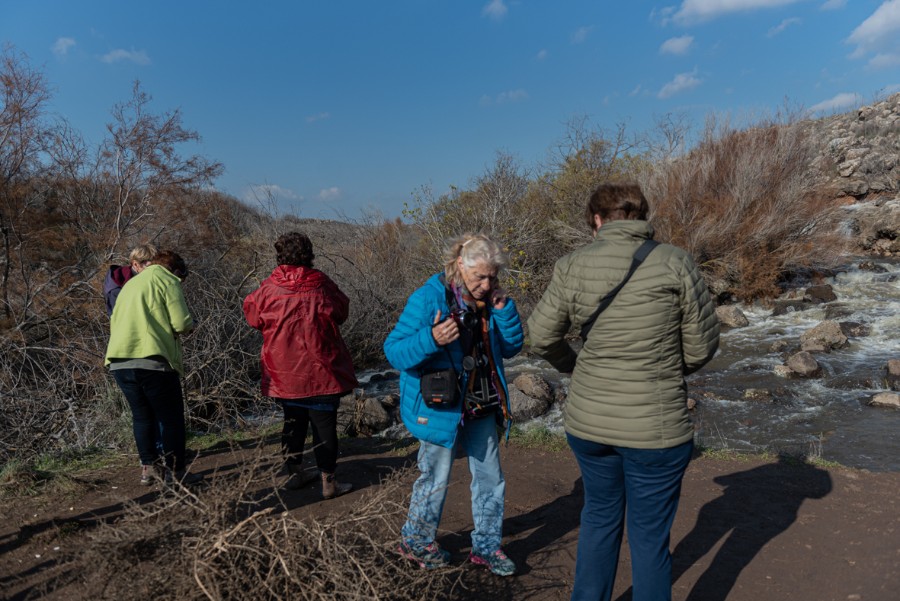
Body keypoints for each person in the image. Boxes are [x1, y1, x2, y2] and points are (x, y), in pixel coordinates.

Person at [527, 182, 720, 601]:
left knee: (598, 518)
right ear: (643, 216)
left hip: (590, 422)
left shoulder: (571, 265)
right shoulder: (675, 263)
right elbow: (703, 345)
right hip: (656, 425)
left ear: (596, 220)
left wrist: (576, 365)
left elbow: (540, 336)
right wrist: (666, 368)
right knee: (650, 537)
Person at [384, 233, 524, 576]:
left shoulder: (494, 300)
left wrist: (505, 313)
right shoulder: (429, 297)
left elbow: (511, 348)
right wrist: (431, 339)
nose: (487, 284)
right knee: (434, 478)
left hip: (481, 402)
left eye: (492, 276)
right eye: (480, 277)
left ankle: (487, 546)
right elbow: (394, 351)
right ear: (460, 265)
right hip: (439, 407)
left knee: (491, 477)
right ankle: (415, 541)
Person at [243, 232, 356, 499]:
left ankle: (295, 474)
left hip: (284, 370)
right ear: (309, 253)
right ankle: (329, 482)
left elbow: (253, 316)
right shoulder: (322, 284)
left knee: (293, 423)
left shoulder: (267, 288)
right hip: (322, 367)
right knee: (324, 425)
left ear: (280, 254)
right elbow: (341, 312)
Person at [106, 250, 202, 486]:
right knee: (171, 419)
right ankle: (176, 473)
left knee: (142, 417)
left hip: (119, 361)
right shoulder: (167, 280)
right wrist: (190, 326)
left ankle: (149, 469)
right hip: (152, 360)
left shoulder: (131, 284)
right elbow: (181, 322)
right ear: (177, 271)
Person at [103, 243, 158, 316]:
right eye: (150, 267)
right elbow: (118, 319)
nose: (155, 270)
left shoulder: (150, 279)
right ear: (136, 264)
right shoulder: (117, 288)